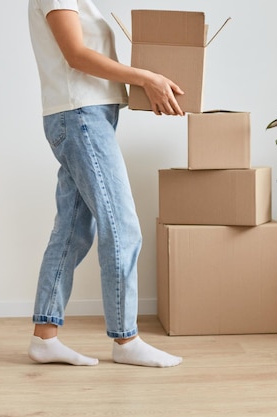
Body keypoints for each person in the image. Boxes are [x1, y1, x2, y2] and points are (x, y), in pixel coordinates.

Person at [27, 0, 184, 368]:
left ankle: (44, 338)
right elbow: (77, 55)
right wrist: (145, 77)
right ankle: (125, 339)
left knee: (71, 230)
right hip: (81, 117)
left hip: (87, 115)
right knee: (122, 227)